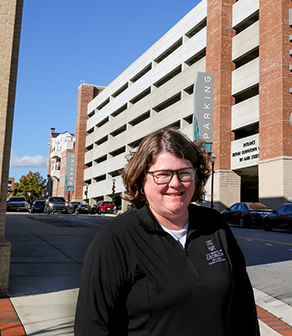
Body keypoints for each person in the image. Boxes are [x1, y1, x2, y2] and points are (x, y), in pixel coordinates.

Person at [75, 128, 260, 335]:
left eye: (184, 173)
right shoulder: (115, 239)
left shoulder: (214, 225)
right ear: (141, 180)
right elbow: (92, 327)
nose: (175, 183)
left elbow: (244, 310)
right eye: (162, 175)